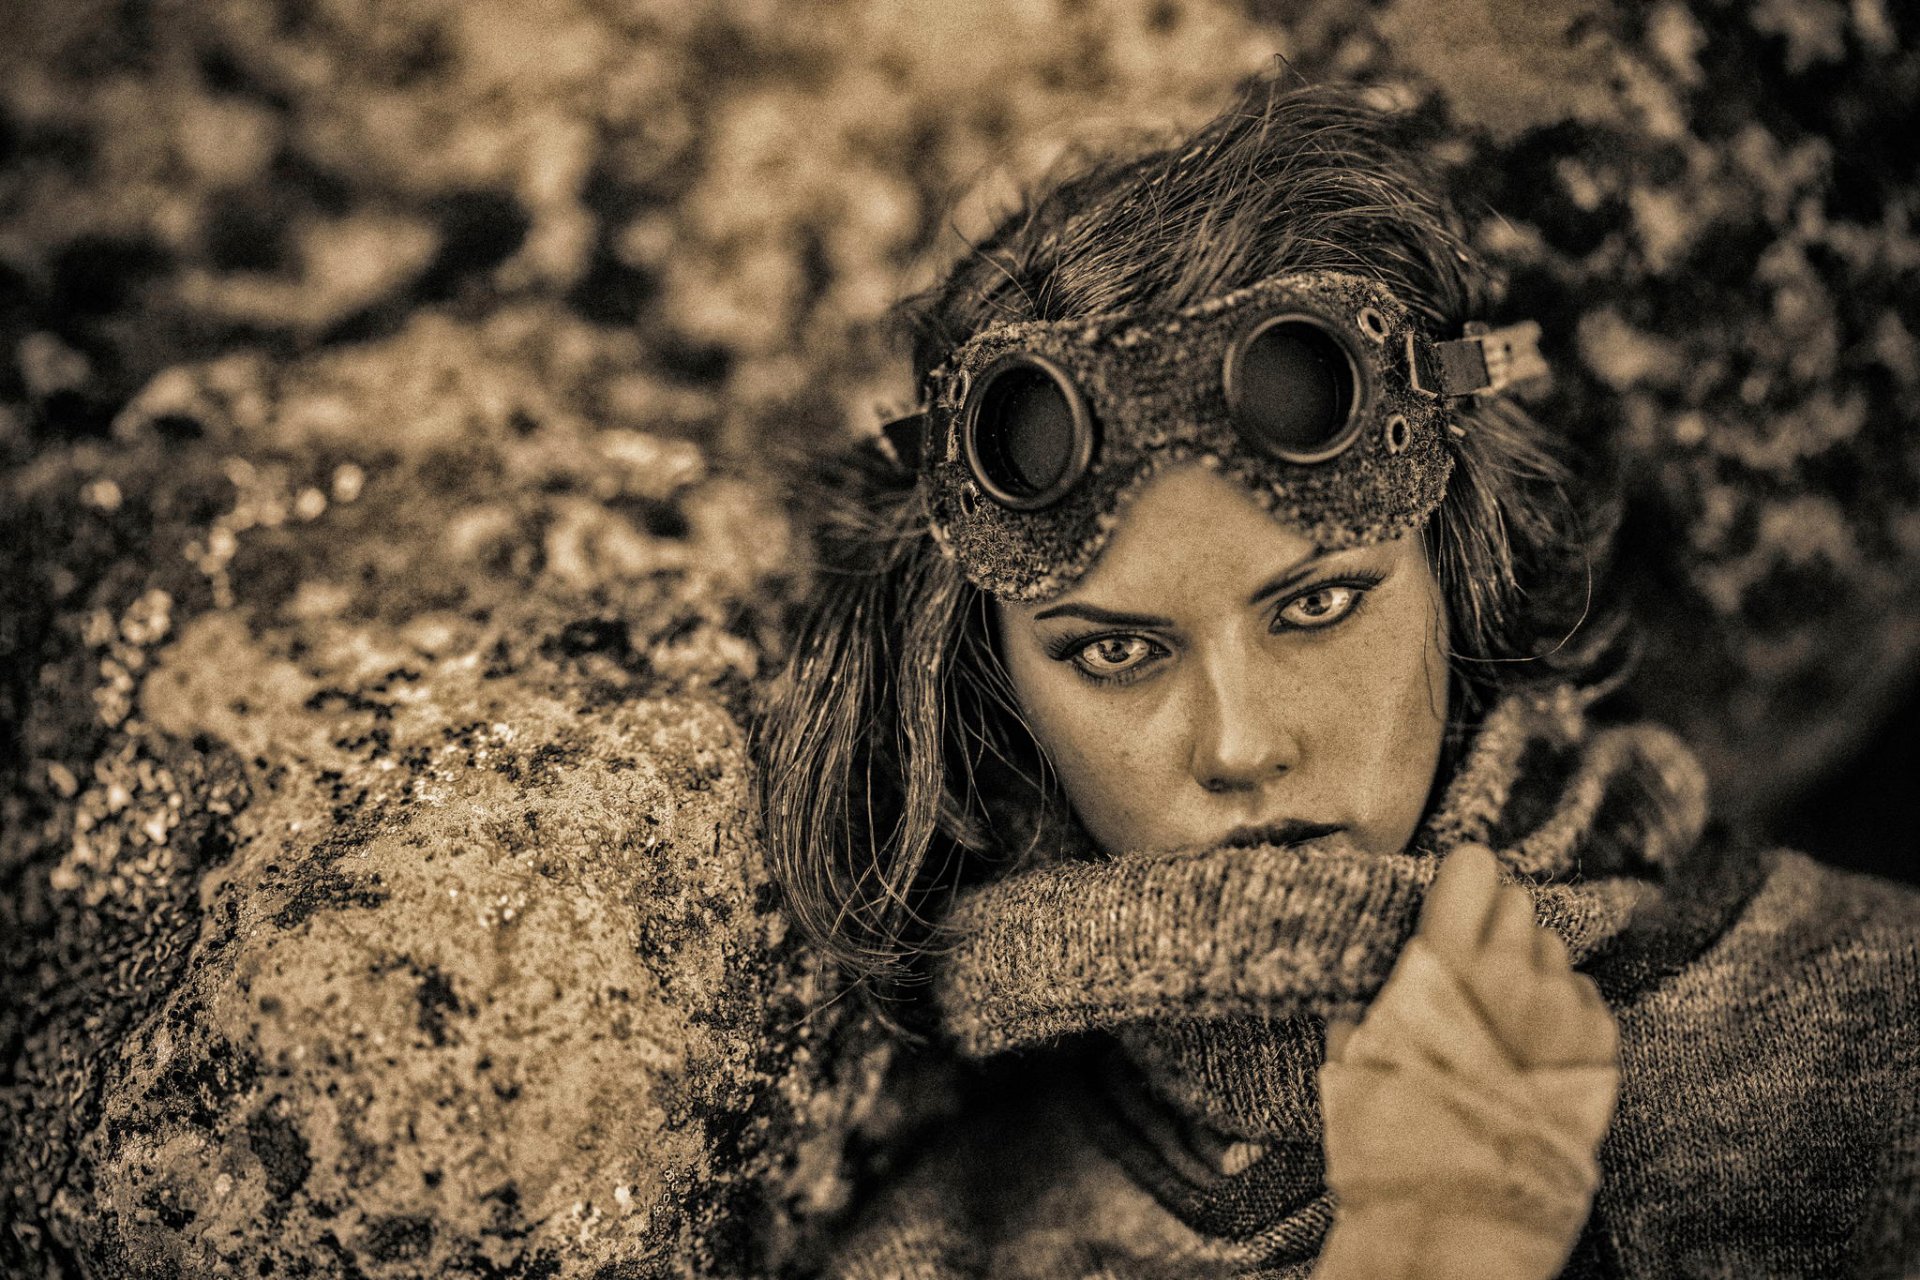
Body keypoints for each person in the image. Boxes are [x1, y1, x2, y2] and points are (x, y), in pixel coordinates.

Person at [754, 76, 1920, 1278]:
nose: (1241, 742)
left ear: (1457, 566)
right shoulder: (952, 1246)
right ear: (992, 684)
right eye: (1114, 650)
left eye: (1316, 604)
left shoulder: (1874, 1036)